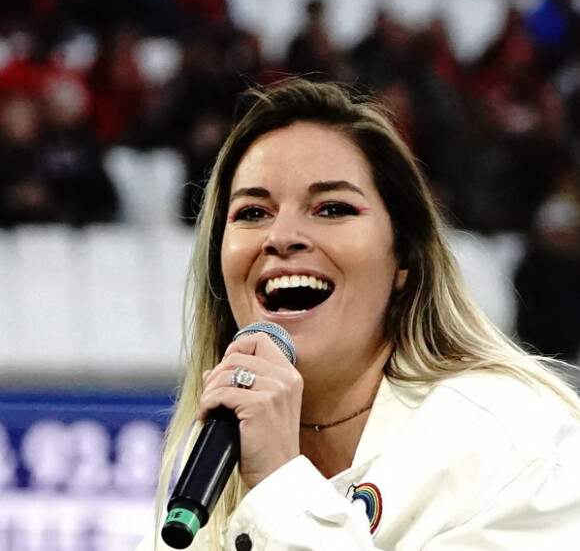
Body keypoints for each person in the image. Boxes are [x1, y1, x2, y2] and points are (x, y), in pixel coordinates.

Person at [137, 78, 580, 551]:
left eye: (331, 208)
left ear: (403, 259)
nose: (282, 236)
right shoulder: (207, 496)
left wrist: (280, 490)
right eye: (251, 212)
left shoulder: (516, 442)